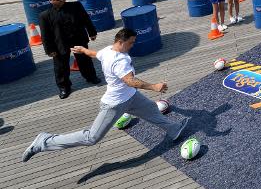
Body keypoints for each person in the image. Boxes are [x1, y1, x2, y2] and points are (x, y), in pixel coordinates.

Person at [22, 28, 189, 162]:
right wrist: (155, 86)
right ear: (120, 42)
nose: (132, 45)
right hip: (114, 104)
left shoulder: (108, 50)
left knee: (151, 110)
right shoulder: (120, 60)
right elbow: (130, 81)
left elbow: (95, 55)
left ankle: (174, 129)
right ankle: (44, 141)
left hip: (131, 97)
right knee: (91, 137)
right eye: (130, 43)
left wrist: (83, 50)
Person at [39, 0, 101, 99]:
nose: (63, 0)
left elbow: (86, 19)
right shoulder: (45, 15)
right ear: (51, 1)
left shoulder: (76, 6)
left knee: (85, 60)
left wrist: (92, 32)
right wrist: (49, 50)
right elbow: (45, 35)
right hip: (59, 43)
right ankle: (64, 87)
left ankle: (91, 77)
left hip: (78, 39)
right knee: (61, 66)